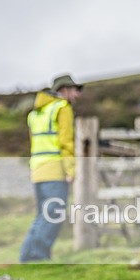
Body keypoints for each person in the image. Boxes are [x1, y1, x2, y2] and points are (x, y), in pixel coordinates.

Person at [19, 74, 82, 262]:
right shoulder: (62, 108)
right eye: (74, 90)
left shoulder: (36, 113)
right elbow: (66, 142)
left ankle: (28, 255)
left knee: (42, 215)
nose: (77, 95)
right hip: (54, 170)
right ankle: (37, 257)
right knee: (53, 214)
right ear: (63, 90)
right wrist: (70, 169)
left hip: (37, 170)